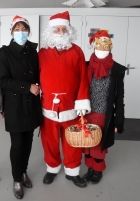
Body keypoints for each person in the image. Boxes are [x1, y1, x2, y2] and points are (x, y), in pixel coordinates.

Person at [38, 11, 91, 188]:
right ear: (50, 32)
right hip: (48, 106)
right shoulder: (42, 53)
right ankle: (52, 168)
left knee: (72, 142)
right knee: (49, 141)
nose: (60, 32)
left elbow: (84, 77)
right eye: (56, 29)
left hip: (72, 107)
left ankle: (73, 171)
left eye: (63, 29)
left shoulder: (77, 51)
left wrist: (82, 101)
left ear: (69, 31)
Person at [0, 15, 42, 199]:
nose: (21, 32)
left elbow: (38, 75)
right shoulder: (4, 52)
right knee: (17, 145)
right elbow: (4, 80)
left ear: (29, 32)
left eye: (24, 29)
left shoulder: (33, 52)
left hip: (31, 104)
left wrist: (39, 86)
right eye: (17, 29)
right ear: (11, 32)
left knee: (29, 142)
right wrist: (27, 87)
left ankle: (24, 172)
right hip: (15, 106)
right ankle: (16, 180)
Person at [82, 30, 126, 184]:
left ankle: (98, 171)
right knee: (87, 144)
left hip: (103, 114)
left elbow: (119, 97)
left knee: (98, 145)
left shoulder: (117, 70)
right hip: (86, 112)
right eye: (99, 46)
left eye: (105, 46)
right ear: (94, 46)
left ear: (110, 47)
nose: (101, 49)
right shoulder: (86, 65)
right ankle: (90, 168)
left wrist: (118, 121)